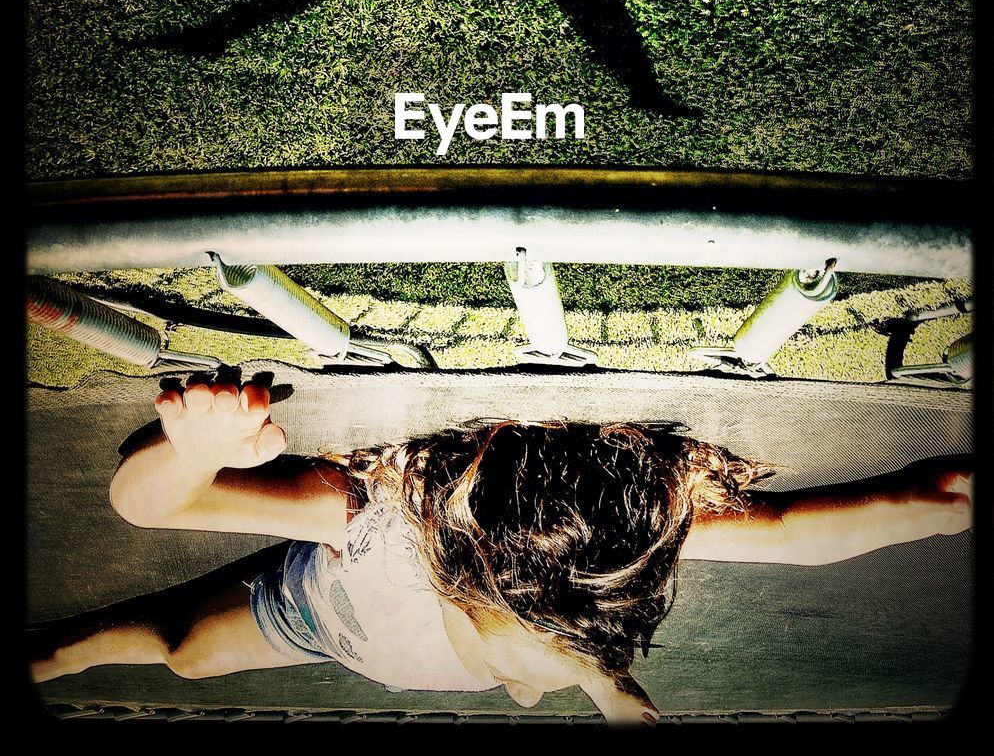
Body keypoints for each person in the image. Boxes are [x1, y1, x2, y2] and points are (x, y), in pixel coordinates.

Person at [30, 376, 973, 726]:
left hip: (365, 638)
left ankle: (603, 685)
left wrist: (939, 505)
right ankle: (69, 643)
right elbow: (149, 506)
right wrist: (185, 454)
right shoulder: (375, 508)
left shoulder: (616, 551)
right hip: (322, 604)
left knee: (545, 674)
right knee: (186, 653)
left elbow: (809, 539)